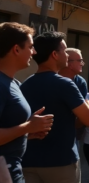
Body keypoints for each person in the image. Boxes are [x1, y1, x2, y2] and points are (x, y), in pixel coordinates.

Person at [20, 32, 89, 183]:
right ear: (54, 54)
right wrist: (87, 101)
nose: (67, 56)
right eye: (65, 51)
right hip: (61, 163)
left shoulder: (24, 84)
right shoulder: (65, 84)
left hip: (28, 161)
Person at [0, 23, 54, 183]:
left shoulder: (13, 83)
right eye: (31, 47)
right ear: (16, 49)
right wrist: (28, 127)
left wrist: (25, 135)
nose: (34, 52)